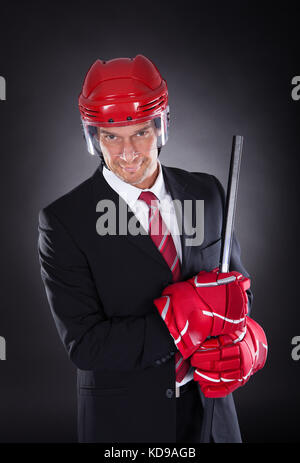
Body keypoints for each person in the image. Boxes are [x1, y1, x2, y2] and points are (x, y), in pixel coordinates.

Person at [37, 54, 267, 443]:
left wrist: (249, 342)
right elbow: (85, 346)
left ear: (161, 127)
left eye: (140, 132)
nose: (127, 153)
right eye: (111, 137)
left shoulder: (208, 192)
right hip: (124, 424)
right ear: (92, 137)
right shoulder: (64, 222)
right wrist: (177, 325)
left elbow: (238, 292)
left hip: (214, 419)